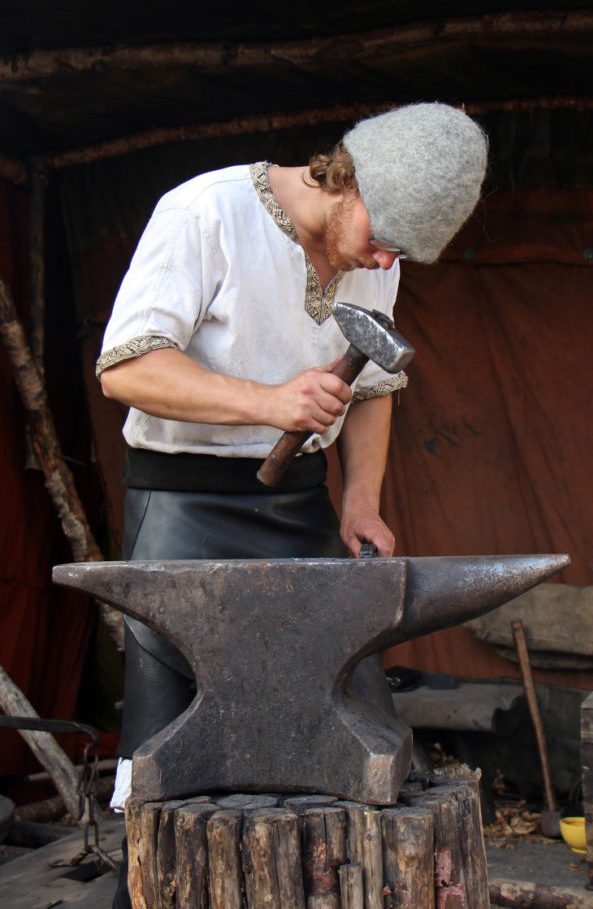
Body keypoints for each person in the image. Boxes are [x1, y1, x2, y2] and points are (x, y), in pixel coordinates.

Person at [97, 102, 487, 907]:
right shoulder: (206, 212)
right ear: (348, 178)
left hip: (301, 508)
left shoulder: (380, 253)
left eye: (401, 251)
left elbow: (375, 387)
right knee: (171, 742)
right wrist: (265, 402)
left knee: (354, 715)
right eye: (383, 235)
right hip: (182, 505)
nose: (385, 258)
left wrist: (360, 501)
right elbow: (127, 369)